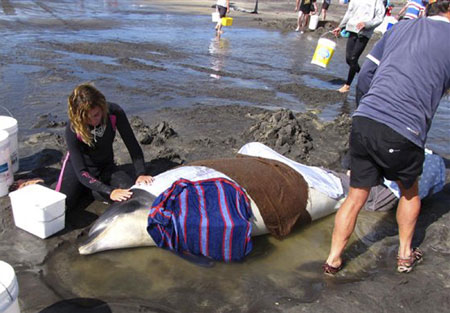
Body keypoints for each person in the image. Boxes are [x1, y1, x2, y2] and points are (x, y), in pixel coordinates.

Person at [323, 0, 450, 275]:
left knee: (356, 195)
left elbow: (367, 73)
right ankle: (405, 255)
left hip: (364, 119)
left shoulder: (399, 29)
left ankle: (332, 261)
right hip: (404, 129)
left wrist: (365, 111)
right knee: (409, 191)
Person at [55, 83, 153, 210]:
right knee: (63, 206)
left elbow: (132, 145)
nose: (93, 121)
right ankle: (85, 188)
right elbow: (81, 171)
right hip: (79, 169)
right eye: (87, 118)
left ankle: (90, 190)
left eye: (96, 115)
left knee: (130, 194)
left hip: (105, 166)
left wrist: (141, 173)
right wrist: (109, 191)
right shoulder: (73, 128)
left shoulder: (114, 113)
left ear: (102, 107)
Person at [332, 0, 385, 93]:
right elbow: (349, 13)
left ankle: (347, 86)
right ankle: (365, 77)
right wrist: (341, 26)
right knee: (348, 59)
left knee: (353, 59)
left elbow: (379, 17)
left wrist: (366, 24)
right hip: (352, 29)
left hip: (364, 33)